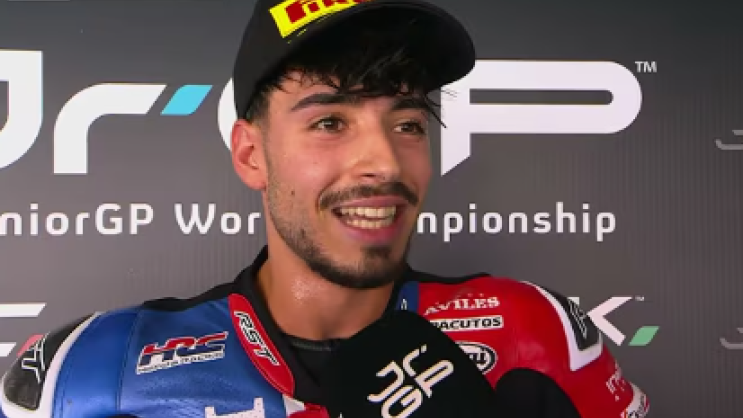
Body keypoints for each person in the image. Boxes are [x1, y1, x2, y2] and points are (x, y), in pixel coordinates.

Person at [0, 0, 650, 417]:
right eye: (330, 122)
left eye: (408, 124)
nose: (386, 164)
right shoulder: (88, 374)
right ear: (251, 155)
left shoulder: (533, 334)